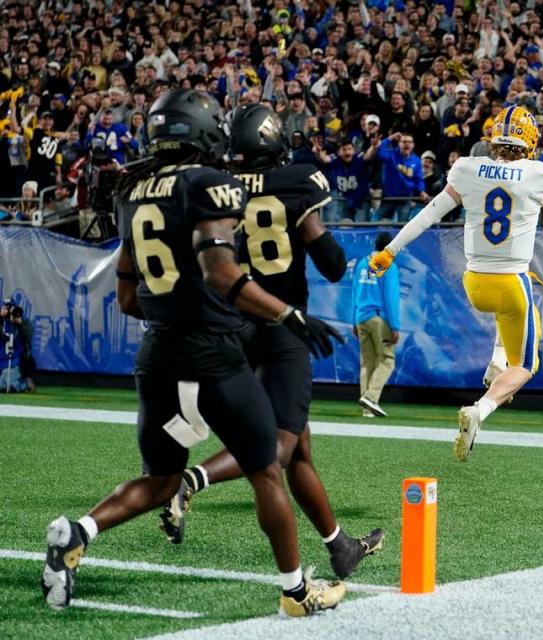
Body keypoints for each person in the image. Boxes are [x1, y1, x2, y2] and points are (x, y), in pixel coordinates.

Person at [41, 89, 346, 617]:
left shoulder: (131, 192)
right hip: (214, 355)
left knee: (160, 479)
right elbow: (221, 272)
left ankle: (77, 532)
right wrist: (288, 314)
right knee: (266, 470)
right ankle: (297, 594)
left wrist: (174, 313)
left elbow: (128, 296)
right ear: (205, 130)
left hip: (157, 355)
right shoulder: (210, 184)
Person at [158, 104, 383, 580]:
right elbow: (331, 263)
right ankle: (192, 480)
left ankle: (340, 545)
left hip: (234, 325)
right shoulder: (299, 181)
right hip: (283, 324)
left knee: (299, 447)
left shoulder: (218, 185)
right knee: (276, 447)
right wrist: (311, 230)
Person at [368, 105, 543, 462]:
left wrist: (390, 250)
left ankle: (497, 361)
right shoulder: (538, 171)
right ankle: (480, 410)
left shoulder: (467, 167)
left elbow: (430, 212)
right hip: (511, 284)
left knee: (512, 310)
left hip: (475, 283)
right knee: (525, 366)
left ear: (493, 137)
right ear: (529, 142)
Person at [352, 232, 401, 418]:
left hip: (361, 317)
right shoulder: (389, 266)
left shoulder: (361, 264)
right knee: (387, 360)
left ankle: (367, 408)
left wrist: (353, 321)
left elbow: (354, 294)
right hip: (379, 318)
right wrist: (395, 326)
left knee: (367, 362)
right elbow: (391, 298)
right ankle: (371, 398)